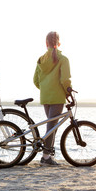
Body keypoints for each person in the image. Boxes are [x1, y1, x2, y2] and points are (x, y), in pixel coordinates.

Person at [33, 31, 72, 166]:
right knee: (51, 127)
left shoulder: (41, 60)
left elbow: (35, 81)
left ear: (46, 43)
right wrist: (68, 91)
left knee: (51, 126)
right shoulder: (63, 59)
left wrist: (45, 88)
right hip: (57, 96)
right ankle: (46, 157)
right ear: (58, 43)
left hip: (45, 97)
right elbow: (65, 79)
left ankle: (46, 155)